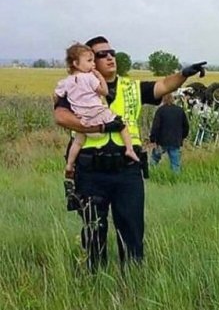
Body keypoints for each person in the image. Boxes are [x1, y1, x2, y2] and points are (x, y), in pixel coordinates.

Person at [53, 35, 206, 270]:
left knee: (132, 230)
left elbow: (164, 85)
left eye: (111, 52)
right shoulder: (76, 85)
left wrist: (184, 74)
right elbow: (61, 116)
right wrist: (100, 127)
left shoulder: (131, 87)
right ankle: (94, 281)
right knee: (94, 230)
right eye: (101, 55)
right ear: (89, 61)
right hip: (91, 170)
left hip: (127, 170)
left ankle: (132, 283)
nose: (109, 57)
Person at [55, 43, 140, 181]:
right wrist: (100, 77)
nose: (93, 65)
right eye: (89, 61)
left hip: (82, 119)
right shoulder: (89, 78)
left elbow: (56, 96)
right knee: (121, 124)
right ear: (76, 63)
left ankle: (70, 165)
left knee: (77, 142)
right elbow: (104, 91)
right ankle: (129, 149)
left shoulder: (66, 82)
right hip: (98, 114)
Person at [149, 93, 190, 172]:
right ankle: (175, 180)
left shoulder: (160, 111)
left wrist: (153, 139)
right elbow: (186, 126)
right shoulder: (180, 111)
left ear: (163, 100)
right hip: (175, 141)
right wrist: (182, 137)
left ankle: (150, 175)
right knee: (175, 164)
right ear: (173, 99)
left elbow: (155, 127)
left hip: (161, 141)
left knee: (154, 159)